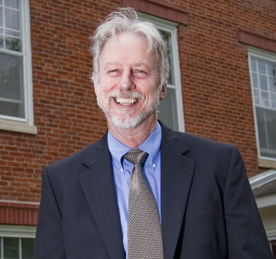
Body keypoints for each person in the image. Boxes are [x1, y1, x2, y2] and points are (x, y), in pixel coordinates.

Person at [34, 7, 273, 259]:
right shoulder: (61, 183)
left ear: (161, 86)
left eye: (140, 71)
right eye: (113, 70)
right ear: (96, 85)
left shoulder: (219, 167)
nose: (125, 83)